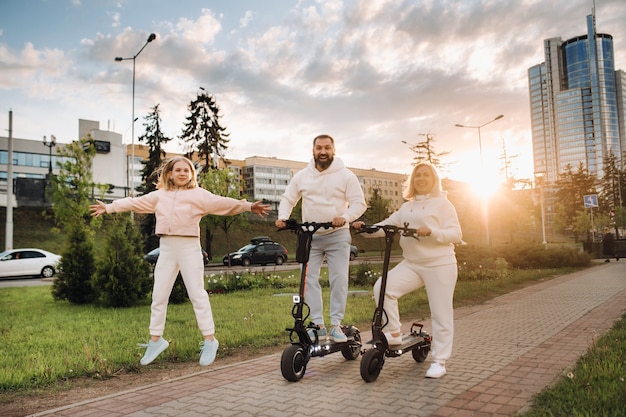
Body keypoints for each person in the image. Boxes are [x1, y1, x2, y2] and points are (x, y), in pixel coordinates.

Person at [89, 156, 270, 366]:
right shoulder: (160, 196)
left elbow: (223, 202)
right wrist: (109, 207)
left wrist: (248, 206)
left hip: (189, 249)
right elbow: (134, 203)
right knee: (158, 296)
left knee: (197, 294)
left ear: (191, 175)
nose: (182, 173)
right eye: (178, 170)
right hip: (166, 249)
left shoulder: (199, 195)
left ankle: (210, 340)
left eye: (187, 170)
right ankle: (156, 340)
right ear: (169, 174)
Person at [353, 161, 462, 378]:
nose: (421, 179)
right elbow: (386, 226)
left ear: (433, 180)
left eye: (426, 175)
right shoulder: (406, 207)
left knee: (441, 313)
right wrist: (365, 229)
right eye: (417, 175)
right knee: (383, 289)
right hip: (412, 263)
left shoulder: (443, 204)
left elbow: (456, 234)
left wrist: (432, 231)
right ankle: (393, 332)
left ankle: (439, 361)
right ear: (412, 181)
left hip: (440, 264)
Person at [275, 134, 366, 342]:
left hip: (338, 235)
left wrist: (345, 218)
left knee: (339, 279)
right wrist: (283, 218)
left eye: (327, 148)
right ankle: (318, 325)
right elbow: (288, 198)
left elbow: (359, 203)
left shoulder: (346, 175)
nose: (322, 151)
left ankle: (335, 325)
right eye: (319, 148)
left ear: (333, 150)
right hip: (310, 236)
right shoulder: (302, 176)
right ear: (313, 150)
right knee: (308, 280)